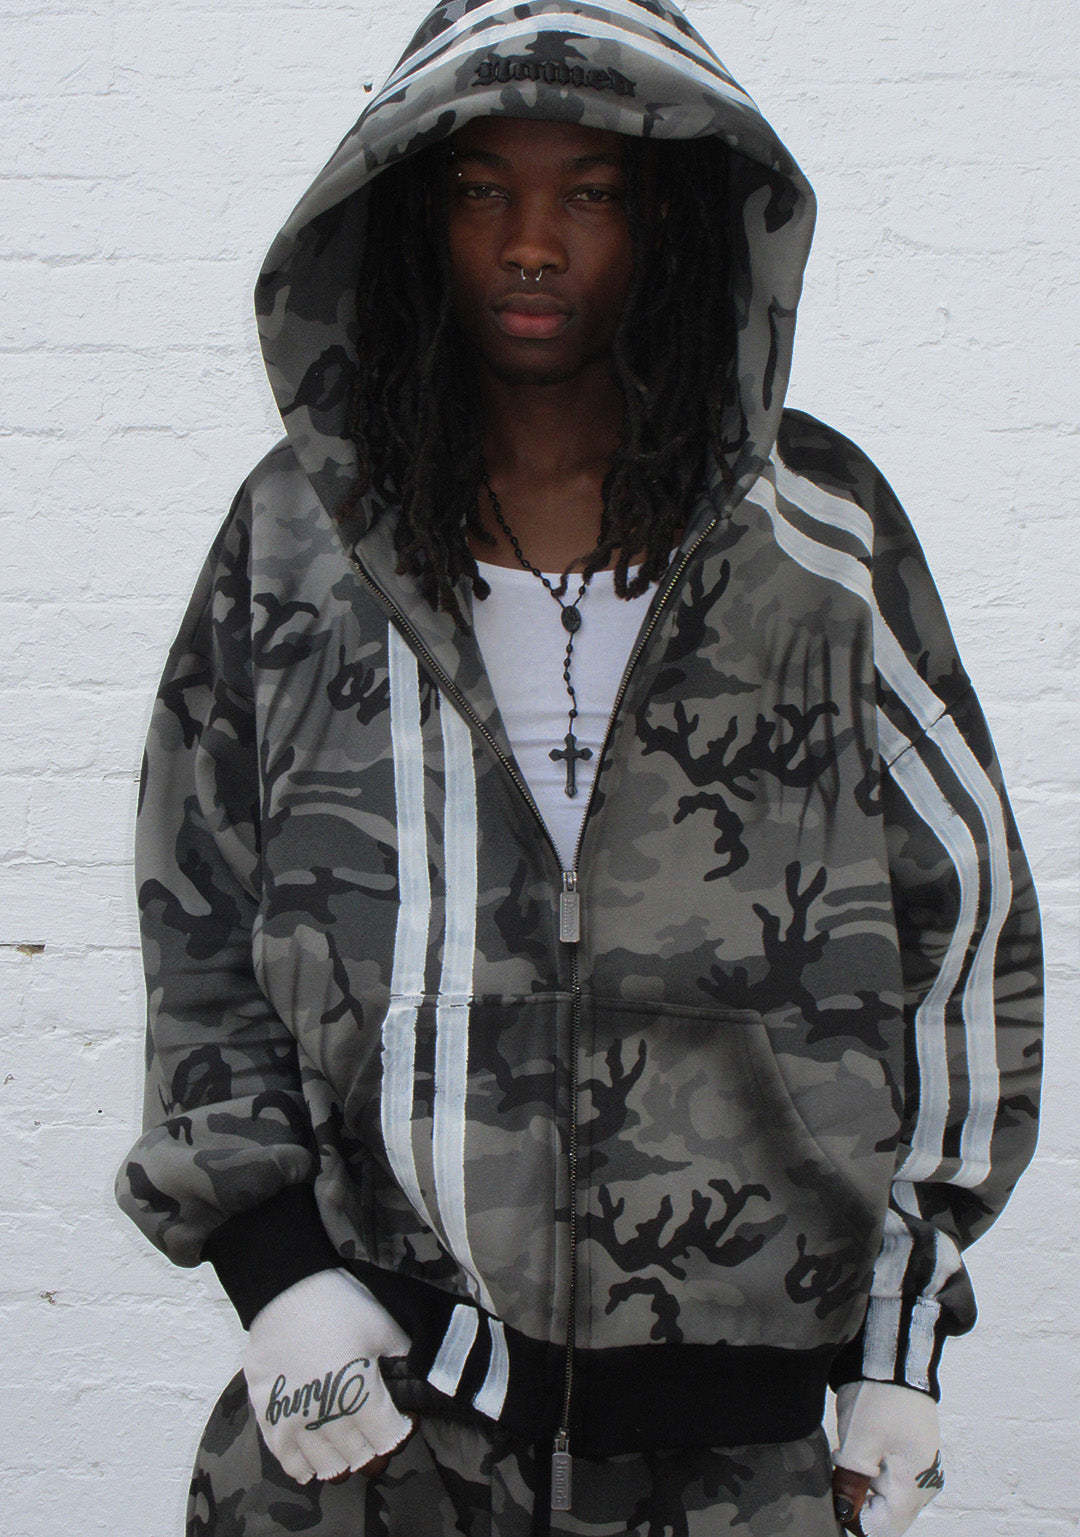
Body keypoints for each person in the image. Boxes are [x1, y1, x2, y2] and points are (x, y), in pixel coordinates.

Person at [115, 2, 1043, 1533]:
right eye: (483, 189)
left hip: (737, 1459)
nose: (532, 243)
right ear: (414, 216)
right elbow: (197, 907)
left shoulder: (822, 539)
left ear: (666, 218)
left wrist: (898, 1330)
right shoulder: (299, 539)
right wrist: (273, 1270)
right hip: (377, 1431)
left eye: (589, 193)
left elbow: (967, 930)